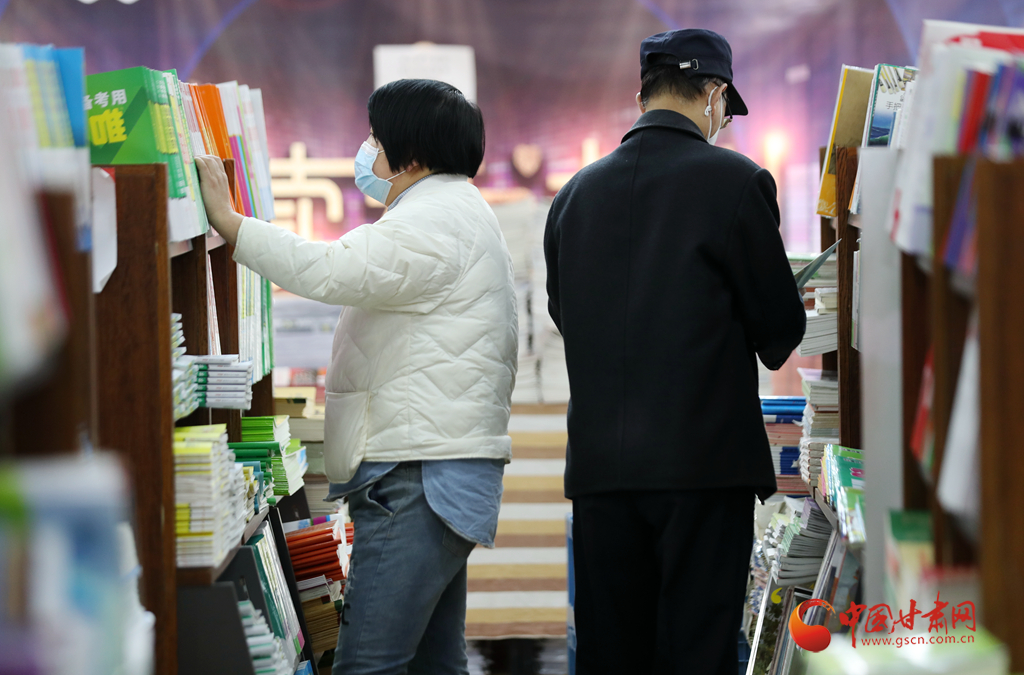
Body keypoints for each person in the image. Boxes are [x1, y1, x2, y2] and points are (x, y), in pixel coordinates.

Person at [195, 78, 518, 675]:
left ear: (410, 153)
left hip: (417, 474)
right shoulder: (454, 210)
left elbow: (328, 269)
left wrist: (230, 223)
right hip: (433, 467)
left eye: (376, 137)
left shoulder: (435, 218)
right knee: (432, 662)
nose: (368, 150)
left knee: (368, 662)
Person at [544, 29, 806, 674]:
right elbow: (779, 329)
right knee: (698, 650)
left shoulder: (574, 196)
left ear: (643, 96)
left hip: (602, 473)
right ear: (714, 94)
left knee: (611, 654)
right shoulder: (737, 182)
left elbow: (566, 315)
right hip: (704, 469)